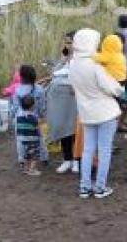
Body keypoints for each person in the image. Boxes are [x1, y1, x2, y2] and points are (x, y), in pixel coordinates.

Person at [68, 28, 125, 199]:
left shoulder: (72, 64)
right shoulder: (94, 65)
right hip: (105, 113)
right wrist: (121, 88)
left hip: (86, 113)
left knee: (87, 150)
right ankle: (100, 187)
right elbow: (112, 87)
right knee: (104, 150)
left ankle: (84, 187)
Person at [46, 31, 80, 174]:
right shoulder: (65, 57)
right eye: (66, 42)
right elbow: (54, 72)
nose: (68, 45)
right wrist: (63, 59)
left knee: (75, 129)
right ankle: (67, 159)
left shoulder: (83, 58)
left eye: (70, 42)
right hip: (60, 98)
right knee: (63, 127)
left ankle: (77, 160)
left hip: (74, 97)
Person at [11, 65, 48, 165]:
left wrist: (13, 118)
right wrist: (41, 116)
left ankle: (22, 160)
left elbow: (14, 108)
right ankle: (44, 158)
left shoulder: (17, 90)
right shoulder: (40, 90)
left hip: (20, 119)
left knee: (20, 140)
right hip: (34, 119)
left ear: (22, 76)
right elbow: (42, 107)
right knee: (39, 138)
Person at [16, 95, 43, 177]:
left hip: (22, 139)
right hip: (32, 140)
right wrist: (40, 135)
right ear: (33, 106)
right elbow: (37, 127)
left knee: (26, 155)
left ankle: (26, 169)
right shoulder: (33, 118)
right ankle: (32, 170)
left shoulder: (19, 116)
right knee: (34, 156)